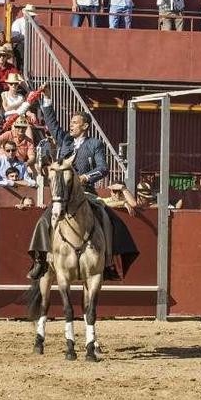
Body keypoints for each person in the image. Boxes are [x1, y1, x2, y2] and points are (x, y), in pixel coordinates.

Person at [26, 84, 119, 280]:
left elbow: (103, 169)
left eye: (75, 123)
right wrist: (48, 100)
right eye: (71, 122)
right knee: (44, 220)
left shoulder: (95, 144)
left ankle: (108, 262)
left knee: (106, 218)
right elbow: (51, 123)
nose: (71, 125)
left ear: (85, 126)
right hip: (63, 195)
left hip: (85, 192)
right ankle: (40, 260)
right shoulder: (65, 141)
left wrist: (86, 176)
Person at [10, 4, 36, 69]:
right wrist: (25, 37)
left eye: (33, 16)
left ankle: (26, 72)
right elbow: (14, 39)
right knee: (21, 47)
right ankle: (21, 71)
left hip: (30, 45)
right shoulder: (18, 22)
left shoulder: (35, 22)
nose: (32, 17)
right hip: (20, 46)